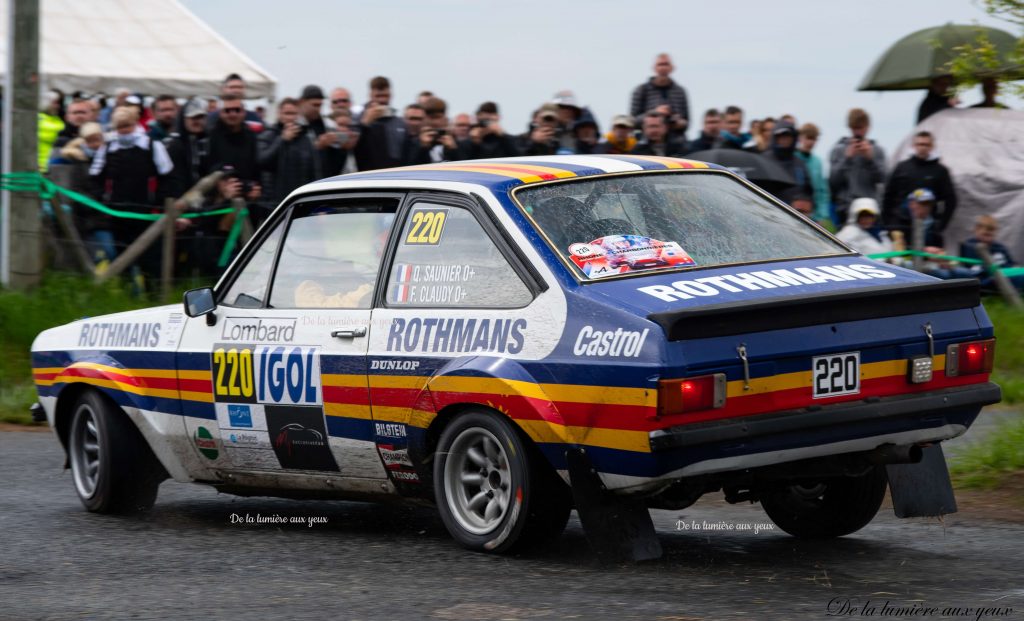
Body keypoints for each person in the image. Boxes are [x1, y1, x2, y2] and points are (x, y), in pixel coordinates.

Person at [89, 106, 174, 269]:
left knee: (149, 259)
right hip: (117, 213)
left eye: (127, 126)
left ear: (135, 123)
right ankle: (126, 290)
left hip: (146, 213)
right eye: (120, 127)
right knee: (122, 259)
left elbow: (167, 175)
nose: (124, 131)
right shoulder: (107, 148)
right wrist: (103, 202)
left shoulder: (151, 145)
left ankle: (152, 292)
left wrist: (157, 203)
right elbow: (95, 177)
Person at [881, 130, 957, 236]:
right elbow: (888, 197)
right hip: (899, 227)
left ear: (932, 147)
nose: (923, 148)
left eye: (926, 145)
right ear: (914, 146)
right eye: (920, 144)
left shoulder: (940, 171)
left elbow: (951, 200)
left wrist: (940, 225)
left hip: (927, 228)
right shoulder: (902, 167)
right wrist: (888, 223)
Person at [258, 98, 320, 209]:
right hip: (274, 204)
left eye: (293, 114)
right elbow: (262, 162)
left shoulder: (305, 139)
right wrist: (282, 140)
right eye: (287, 113)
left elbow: (314, 171)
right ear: (279, 114)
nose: (290, 118)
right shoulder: (268, 136)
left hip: (300, 202)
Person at [829, 108, 886, 226]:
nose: (858, 132)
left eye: (860, 128)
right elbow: (833, 182)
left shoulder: (877, 150)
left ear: (868, 127)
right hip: (845, 211)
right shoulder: (839, 150)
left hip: (869, 212)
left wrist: (870, 159)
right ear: (850, 128)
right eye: (854, 128)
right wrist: (847, 158)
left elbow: (882, 178)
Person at [205, 94, 262, 213]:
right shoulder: (211, 136)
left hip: (247, 203)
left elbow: (257, 169)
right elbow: (206, 170)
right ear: (221, 113)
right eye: (228, 110)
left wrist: (255, 189)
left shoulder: (251, 136)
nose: (233, 114)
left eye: (237, 110)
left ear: (244, 112)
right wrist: (221, 188)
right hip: (219, 203)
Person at [630, 53, 689, 140]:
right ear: (654, 68)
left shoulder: (680, 91)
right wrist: (655, 114)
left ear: (672, 68)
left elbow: (687, 121)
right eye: (660, 64)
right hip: (646, 142)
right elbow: (632, 121)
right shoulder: (641, 90)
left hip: (675, 142)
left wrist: (678, 122)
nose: (663, 68)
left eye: (666, 64)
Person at [354, 76, 408, 170]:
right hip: (366, 174)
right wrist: (365, 124)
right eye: (378, 96)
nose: (382, 100)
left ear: (391, 95)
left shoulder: (399, 122)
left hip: (395, 173)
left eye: (385, 96)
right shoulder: (358, 117)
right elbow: (355, 148)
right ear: (371, 95)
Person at [296, 85, 348, 177]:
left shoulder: (326, 125)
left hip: (323, 181)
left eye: (320, 105)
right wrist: (316, 147)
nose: (318, 109)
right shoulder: (294, 125)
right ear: (302, 102)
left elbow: (335, 164)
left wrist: (342, 146)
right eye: (314, 105)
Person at [164, 98, 209, 199]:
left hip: (203, 201)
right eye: (193, 117)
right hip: (180, 203)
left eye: (200, 117)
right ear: (183, 119)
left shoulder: (207, 141)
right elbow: (173, 178)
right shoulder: (174, 144)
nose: (197, 121)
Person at [761, 121, 813, 205]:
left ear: (793, 138)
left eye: (788, 136)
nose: (784, 139)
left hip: (794, 212)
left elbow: (808, 191)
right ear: (775, 138)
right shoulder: (764, 160)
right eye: (781, 136)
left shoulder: (800, 164)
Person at [795, 123, 831, 225]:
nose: (811, 142)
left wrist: (821, 215)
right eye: (808, 138)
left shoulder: (817, 162)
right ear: (800, 138)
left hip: (812, 215)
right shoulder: (793, 157)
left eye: (814, 139)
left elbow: (822, 191)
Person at [411, 96, 460, 164]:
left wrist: (452, 149)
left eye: (438, 117)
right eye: (431, 118)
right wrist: (423, 147)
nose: (435, 122)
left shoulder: (457, 141)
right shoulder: (413, 142)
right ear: (424, 118)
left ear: (445, 118)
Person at [38, 90, 65, 172]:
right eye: (55, 103)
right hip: (40, 166)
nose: (58, 106)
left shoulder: (57, 119)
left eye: (58, 103)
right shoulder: (38, 119)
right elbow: (51, 136)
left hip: (52, 166)